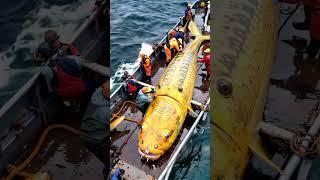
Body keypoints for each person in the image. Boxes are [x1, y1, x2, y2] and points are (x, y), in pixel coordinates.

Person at [80, 80, 109, 177]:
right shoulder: (105, 112)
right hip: (93, 139)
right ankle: (108, 173)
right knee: (107, 159)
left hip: (88, 126)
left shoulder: (97, 93)